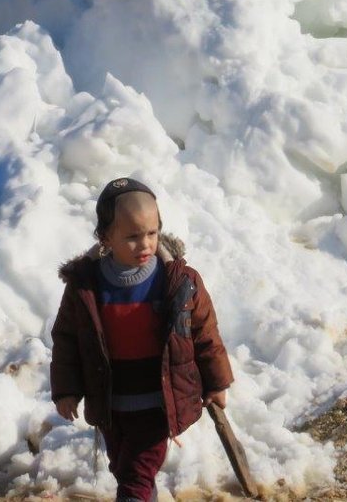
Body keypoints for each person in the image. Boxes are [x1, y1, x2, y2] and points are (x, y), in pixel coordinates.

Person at [50, 178, 233, 502]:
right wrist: (66, 390)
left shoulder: (179, 282)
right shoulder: (86, 286)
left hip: (158, 399)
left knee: (136, 474)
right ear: (106, 237)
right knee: (124, 468)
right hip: (109, 398)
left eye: (152, 233)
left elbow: (205, 334)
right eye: (132, 237)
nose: (145, 244)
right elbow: (67, 338)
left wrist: (216, 382)